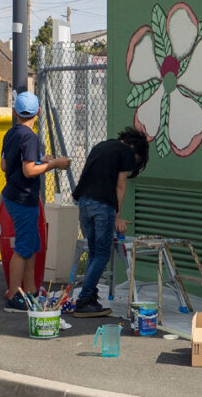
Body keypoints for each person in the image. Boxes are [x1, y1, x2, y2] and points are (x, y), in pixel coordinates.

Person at [0, 91, 70, 312]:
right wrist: (54, 164)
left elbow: (5, 164)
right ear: (38, 112)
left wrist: (41, 159)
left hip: (13, 195)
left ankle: (30, 291)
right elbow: (29, 170)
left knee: (31, 246)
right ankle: (14, 294)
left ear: (15, 112)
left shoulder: (12, 133)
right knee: (23, 247)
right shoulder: (30, 137)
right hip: (23, 198)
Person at [71, 127, 148, 317]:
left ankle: (89, 296)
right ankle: (84, 300)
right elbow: (120, 186)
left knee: (95, 252)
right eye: (136, 162)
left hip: (83, 203)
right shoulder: (127, 152)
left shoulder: (101, 146)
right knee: (103, 254)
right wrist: (117, 216)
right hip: (102, 206)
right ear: (135, 150)